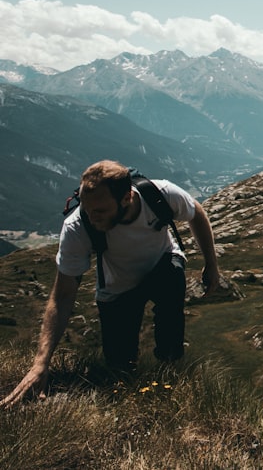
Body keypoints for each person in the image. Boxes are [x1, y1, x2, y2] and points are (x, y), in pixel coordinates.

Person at [2, 160, 220, 407]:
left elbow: (196, 212)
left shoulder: (159, 195)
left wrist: (211, 265)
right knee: (119, 368)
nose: (92, 217)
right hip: (118, 288)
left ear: (127, 198)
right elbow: (62, 295)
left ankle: (170, 372)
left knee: (172, 279)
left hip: (161, 266)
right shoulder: (77, 227)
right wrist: (40, 364)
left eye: (101, 211)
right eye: (87, 208)